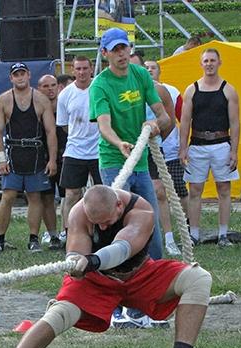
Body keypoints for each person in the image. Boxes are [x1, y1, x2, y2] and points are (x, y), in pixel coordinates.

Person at [0, 185, 212, 348]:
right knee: (60, 312)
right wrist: (75, 262)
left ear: (119, 206)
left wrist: (91, 260)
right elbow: (76, 252)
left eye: (106, 221)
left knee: (198, 278)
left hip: (139, 276)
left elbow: (122, 248)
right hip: (96, 281)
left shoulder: (142, 211)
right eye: (97, 223)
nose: (102, 227)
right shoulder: (78, 213)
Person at [89, 28, 170, 329]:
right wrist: (119, 143)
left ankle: (149, 302)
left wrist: (155, 124)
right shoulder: (100, 85)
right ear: (105, 54)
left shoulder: (140, 75)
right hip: (114, 163)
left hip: (140, 161)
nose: (122, 54)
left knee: (151, 228)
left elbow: (163, 115)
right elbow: (104, 125)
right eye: (115, 50)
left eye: (124, 48)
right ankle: (116, 306)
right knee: (118, 231)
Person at [0, 62, 57, 254]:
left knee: (35, 196)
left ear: (29, 75)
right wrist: (1, 159)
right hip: (13, 154)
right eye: (16, 74)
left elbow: (50, 132)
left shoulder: (41, 99)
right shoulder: (3, 100)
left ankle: (33, 239)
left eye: (22, 74)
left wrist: (52, 160)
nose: (20, 77)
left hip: (36, 154)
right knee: (8, 196)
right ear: (11, 78)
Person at [179, 48, 240, 248]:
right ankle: (194, 235)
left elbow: (235, 123)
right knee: (195, 190)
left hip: (222, 144)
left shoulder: (228, 90)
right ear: (201, 64)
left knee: (224, 188)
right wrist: (183, 148)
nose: (209, 64)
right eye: (206, 61)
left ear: (219, 62)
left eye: (213, 60)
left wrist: (234, 151)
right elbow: (185, 121)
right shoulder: (192, 90)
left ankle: (223, 234)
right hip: (197, 146)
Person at [139, 57, 186, 257]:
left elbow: (170, 120)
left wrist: (156, 139)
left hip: (153, 146)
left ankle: (168, 238)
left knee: (159, 191)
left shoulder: (160, 90)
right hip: (129, 147)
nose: (147, 70)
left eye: (150, 68)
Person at [56, 56, 101, 238]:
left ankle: (103, 232)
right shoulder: (65, 95)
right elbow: (64, 125)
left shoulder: (100, 87)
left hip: (100, 150)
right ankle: (70, 233)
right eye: (78, 69)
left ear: (91, 69)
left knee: (103, 193)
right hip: (75, 151)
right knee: (71, 194)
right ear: (73, 71)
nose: (82, 72)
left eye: (85, 68)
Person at [36, 74, 65, 250]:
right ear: (39, 89)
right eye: (45, 86)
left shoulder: (65, 105)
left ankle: (70, 232)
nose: (50, 89)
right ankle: (53, 235)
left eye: (53, 85)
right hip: (43, 159)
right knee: (46, 198)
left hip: (66, 157)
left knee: (70, 196)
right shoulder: (36, 110)